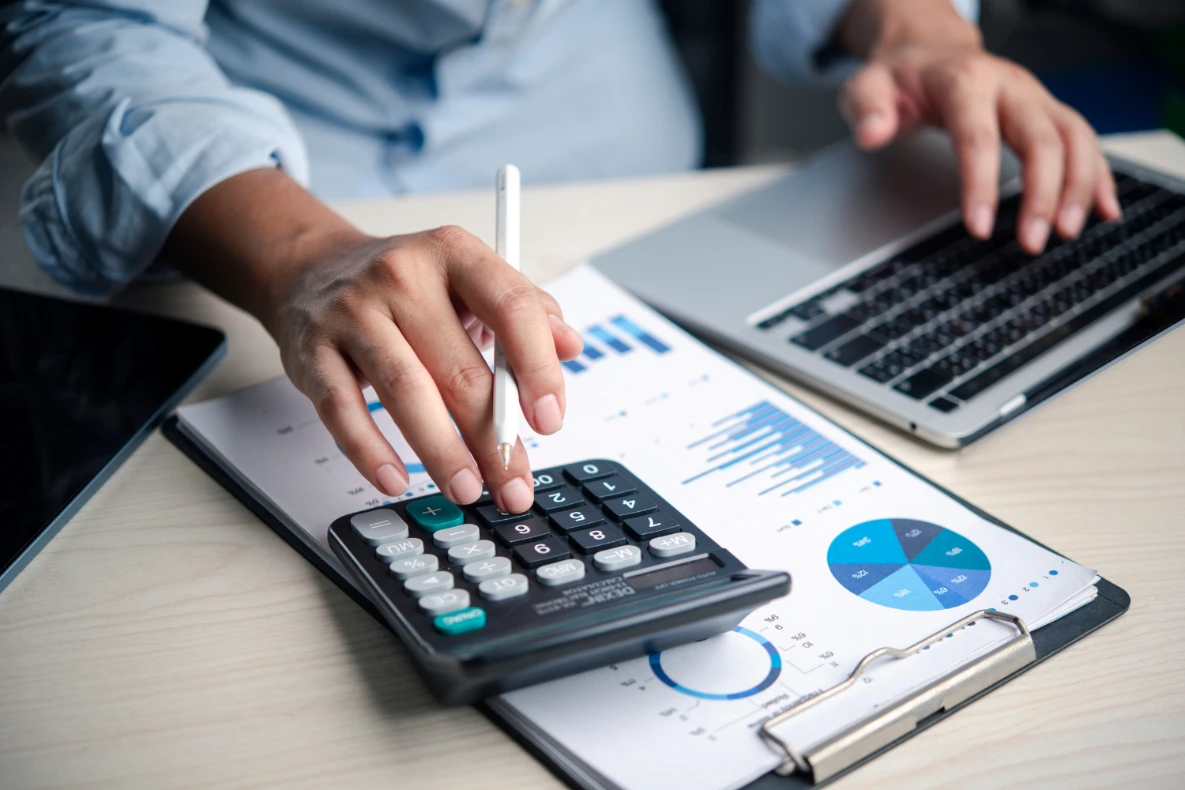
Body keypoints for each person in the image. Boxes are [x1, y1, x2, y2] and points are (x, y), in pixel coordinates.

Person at [0, 0, 1121, 515]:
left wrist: (919, 27)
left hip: (609, 158)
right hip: (260, 187)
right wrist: (300, 257)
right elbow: (83, 27)